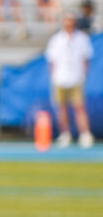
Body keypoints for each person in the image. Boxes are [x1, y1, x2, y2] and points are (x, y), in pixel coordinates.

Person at [45, 13, 94, 148]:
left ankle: (85, 134)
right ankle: (65, 134)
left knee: (79, 107)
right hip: (60, 78)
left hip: (76, 78)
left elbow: (86, 59)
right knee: (62, 108)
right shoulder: (56, 39)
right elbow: (52, 61)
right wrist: (53, 76)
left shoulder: (82, 39)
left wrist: (84, 75)